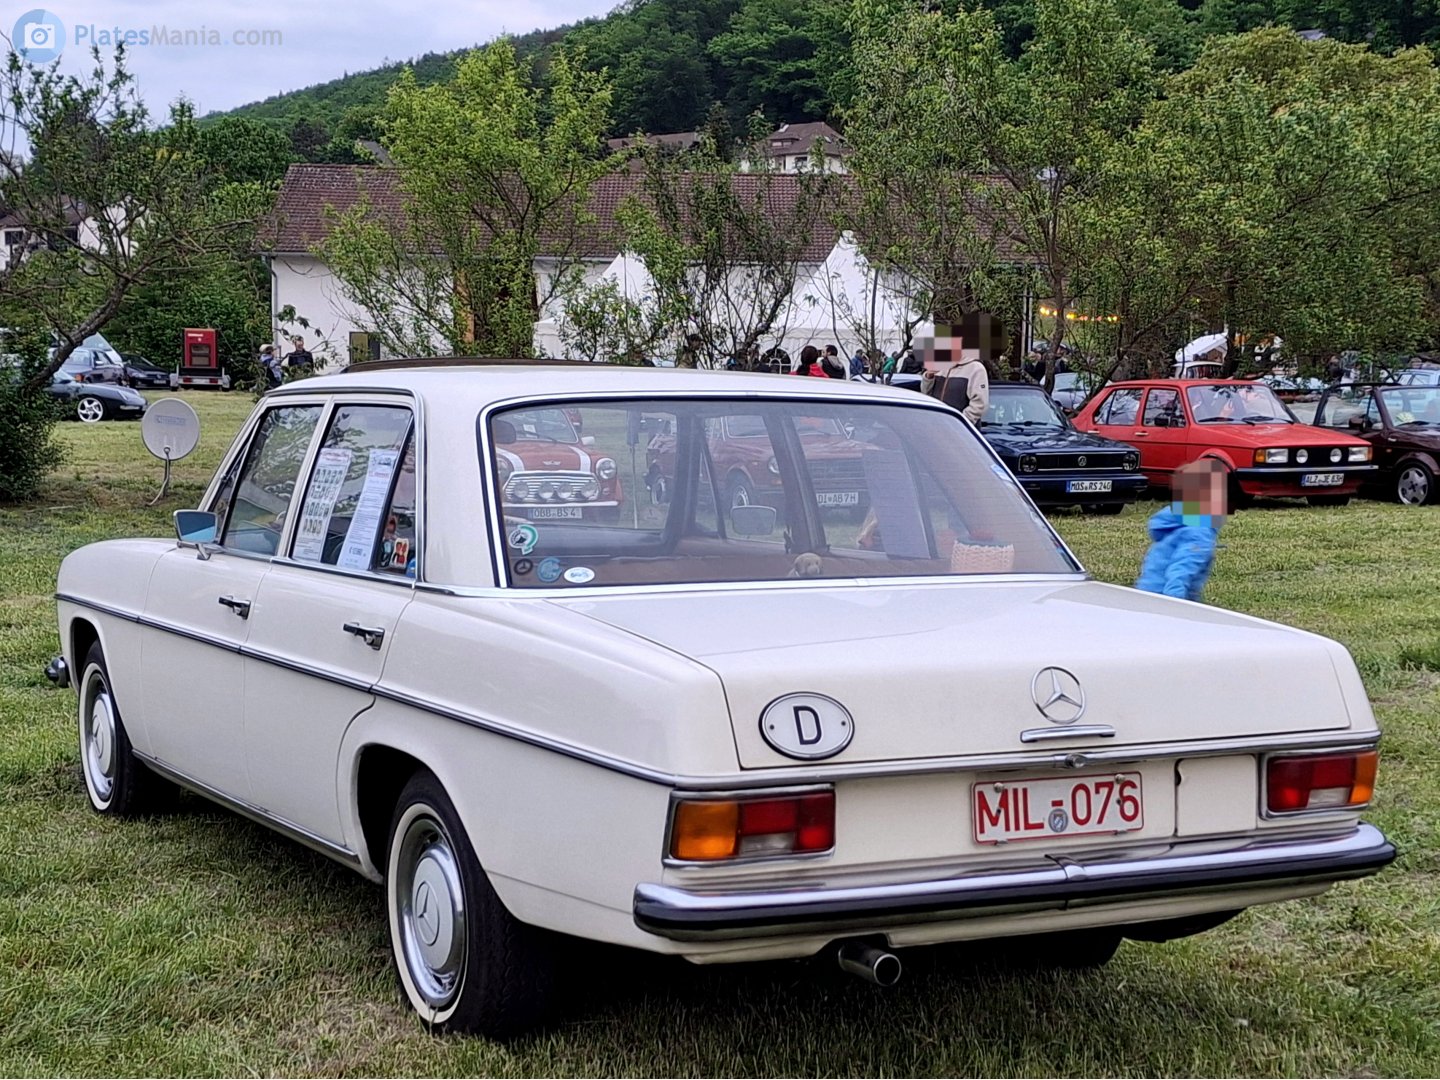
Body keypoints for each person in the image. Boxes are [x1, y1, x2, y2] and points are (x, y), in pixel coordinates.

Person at [1136, 458, 1229, 602]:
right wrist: (1176, 606)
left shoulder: (1176, 521)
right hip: (1165, 600)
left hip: (1148, 592)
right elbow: (1180, 572)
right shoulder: (1199, 532)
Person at [919, 321, 991, 426]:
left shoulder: (975, 368)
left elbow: (980, 405)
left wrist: (960, 422)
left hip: (961, 432)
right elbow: (926, 396)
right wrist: (928, 378)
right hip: (936, 427)